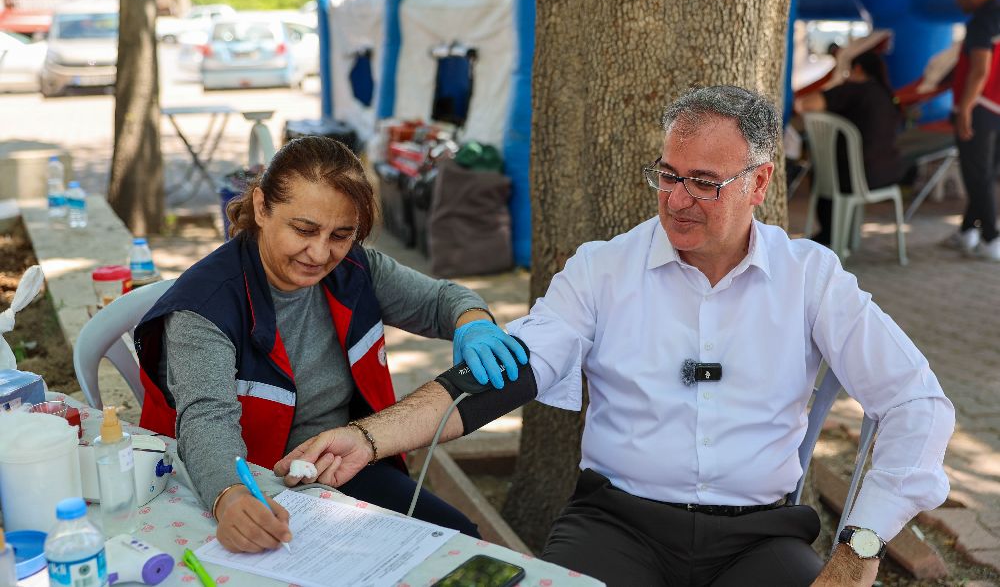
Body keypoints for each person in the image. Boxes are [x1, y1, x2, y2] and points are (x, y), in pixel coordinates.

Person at [275, 87, 955, 587]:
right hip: (618, 525)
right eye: (667, 175)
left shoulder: (811, 278)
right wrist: (367, 438)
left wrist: (859, 546)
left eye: (704, 183)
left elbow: (916, 404)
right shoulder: (604, 269)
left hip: (759, 537)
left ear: (760, 183)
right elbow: (506, 372)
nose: (678, 200)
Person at [133, 136, 527, 553]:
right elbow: (206, 421)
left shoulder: (357, 268)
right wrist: (230, 497)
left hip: (343, 467)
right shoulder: (205, 307)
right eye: (304, 230)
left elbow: (443, 300)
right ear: (262, 208)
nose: (320, 254)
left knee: (462, 545)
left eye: (341, 234)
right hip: (249, 480)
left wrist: (475, 323)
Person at [796, 51, 909, 246]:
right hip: (888, 173)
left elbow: (806, 104)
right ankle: (840, 236)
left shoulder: (854, 90)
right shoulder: (886, 94)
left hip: (854, 177)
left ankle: (829, 235)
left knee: (826, 169)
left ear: (857, 69)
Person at [947, 0, 1000, 261]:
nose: (958, 1)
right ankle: (968, 231)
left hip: (979, 108)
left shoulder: (981, 21)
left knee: (977, 176)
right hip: (996, 108)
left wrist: (966, 107)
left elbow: (980, 69)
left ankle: (991, 237)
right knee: (986, 174)